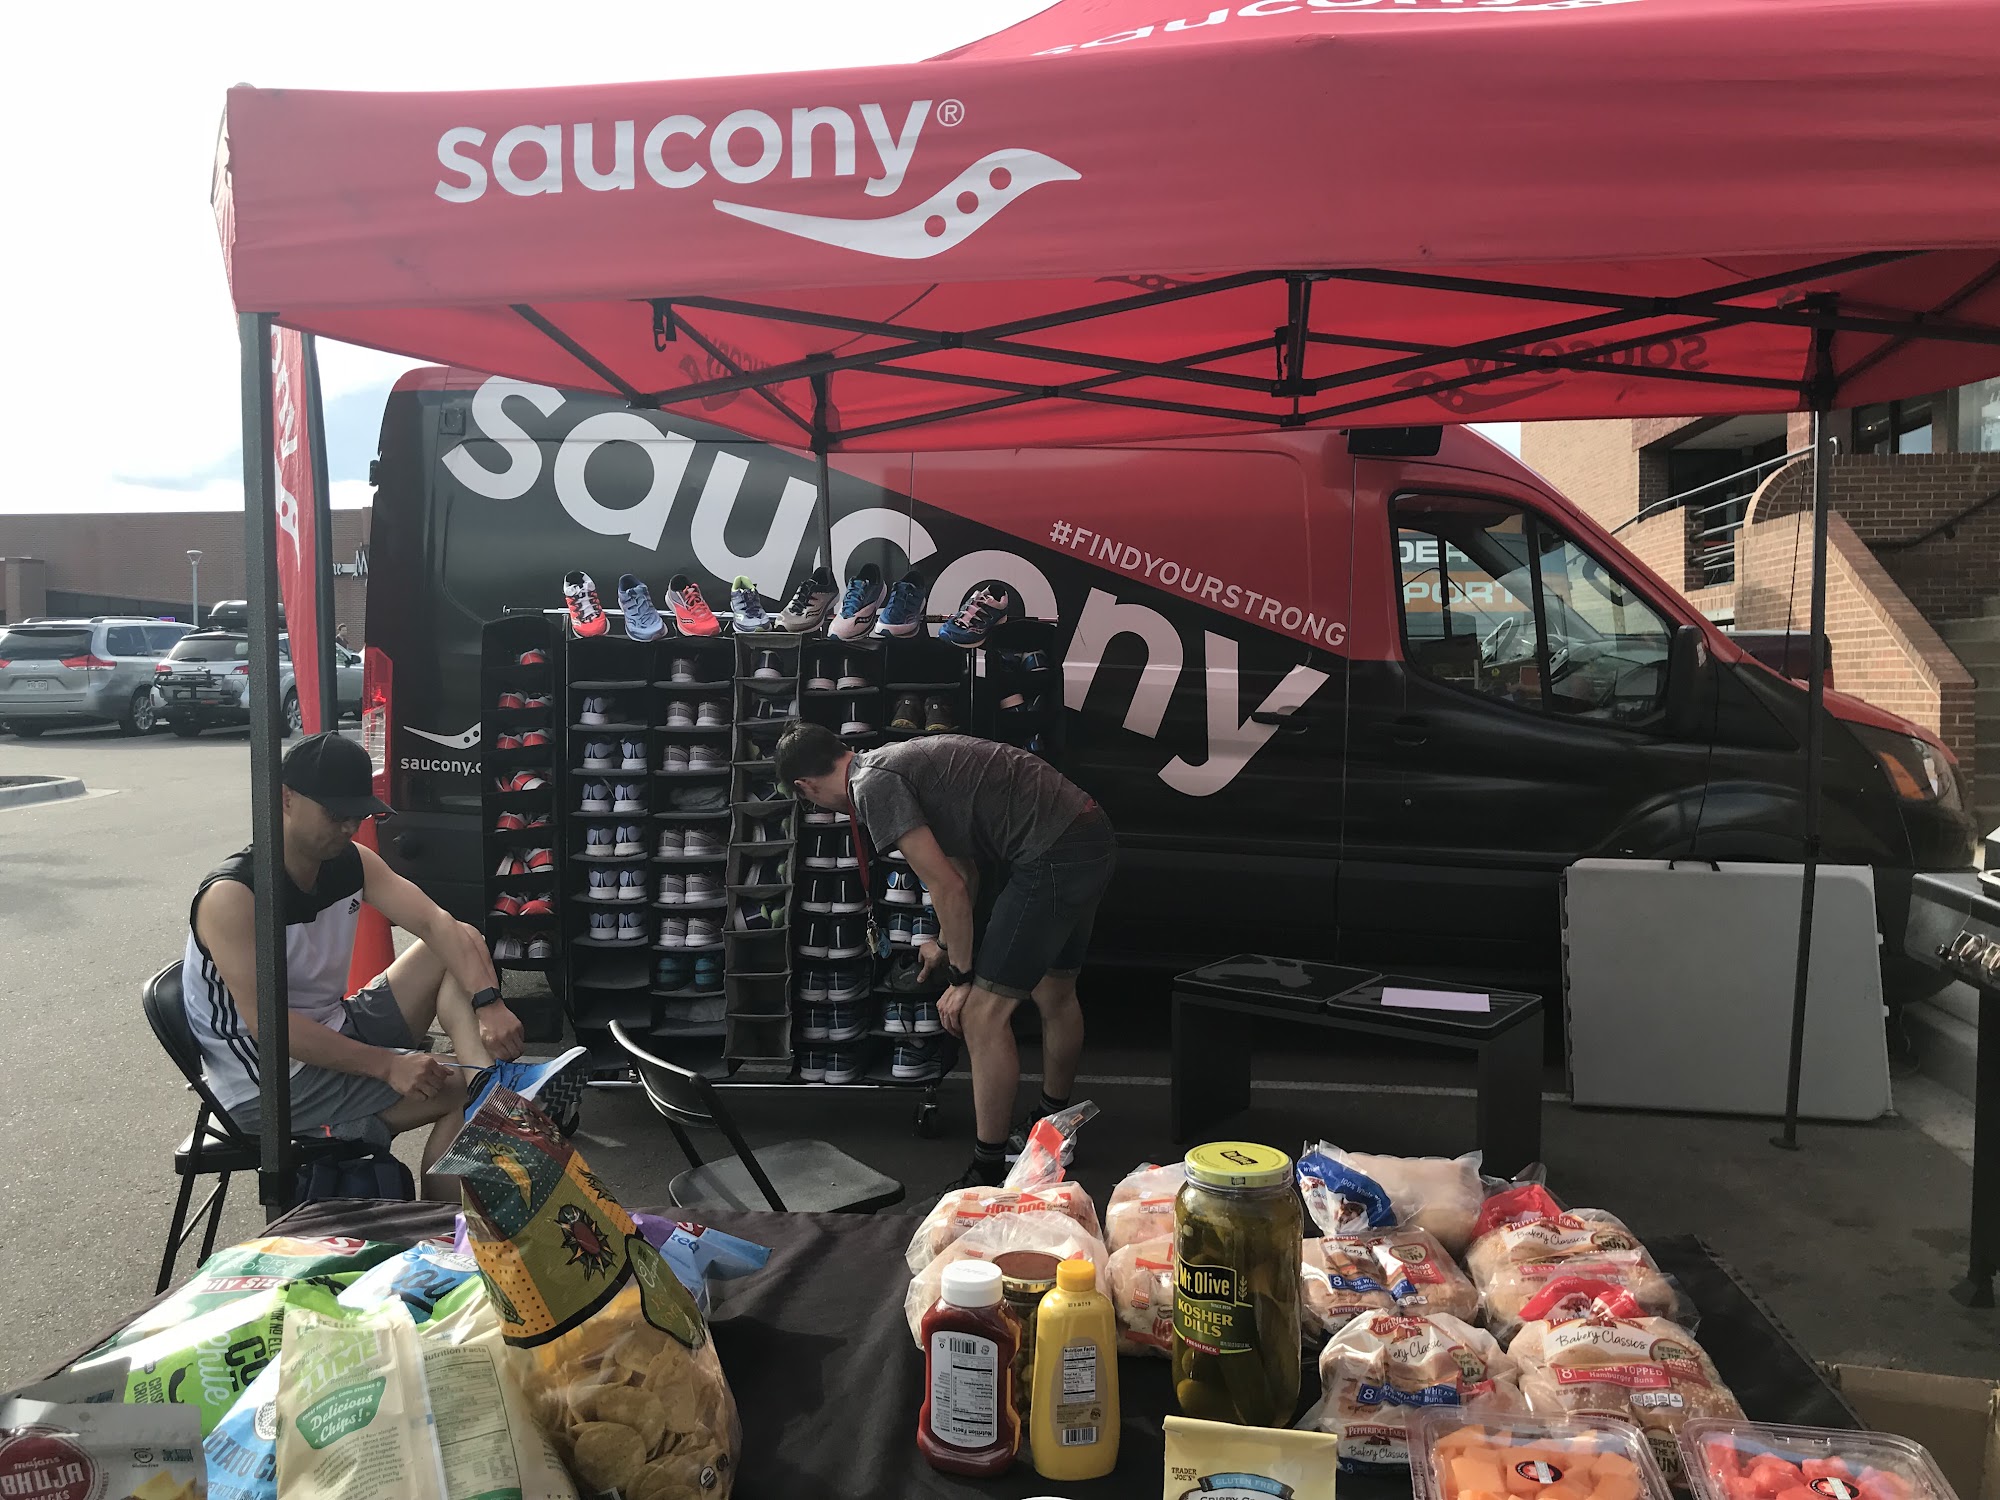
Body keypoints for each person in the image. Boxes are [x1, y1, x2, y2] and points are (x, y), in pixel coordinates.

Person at [183, 731, 530, 1199]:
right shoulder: (233, 897)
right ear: (285, 798)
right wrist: (387, 1066)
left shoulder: (352, 862)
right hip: (267, 1082)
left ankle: (485, 1076)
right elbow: (271, 1028)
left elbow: (437, 924)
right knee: (461, 1093)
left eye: (358, 814)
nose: (349, 826)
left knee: (457, 941)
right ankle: (443, 1209)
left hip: (333, 1025)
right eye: (336, 814)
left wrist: (490, 1005)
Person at [776, 723, 1117, 1189]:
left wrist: (961, 978)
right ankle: (1053, 1129)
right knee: (1055, 992)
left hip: (1054, 851)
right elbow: (963, 871)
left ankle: (987, 1169)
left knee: (980, 1015)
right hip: (1088, 832)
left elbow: (949, 887)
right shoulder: (894, 763)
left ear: (805, 787)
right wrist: (942, 942)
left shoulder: (872, 786)